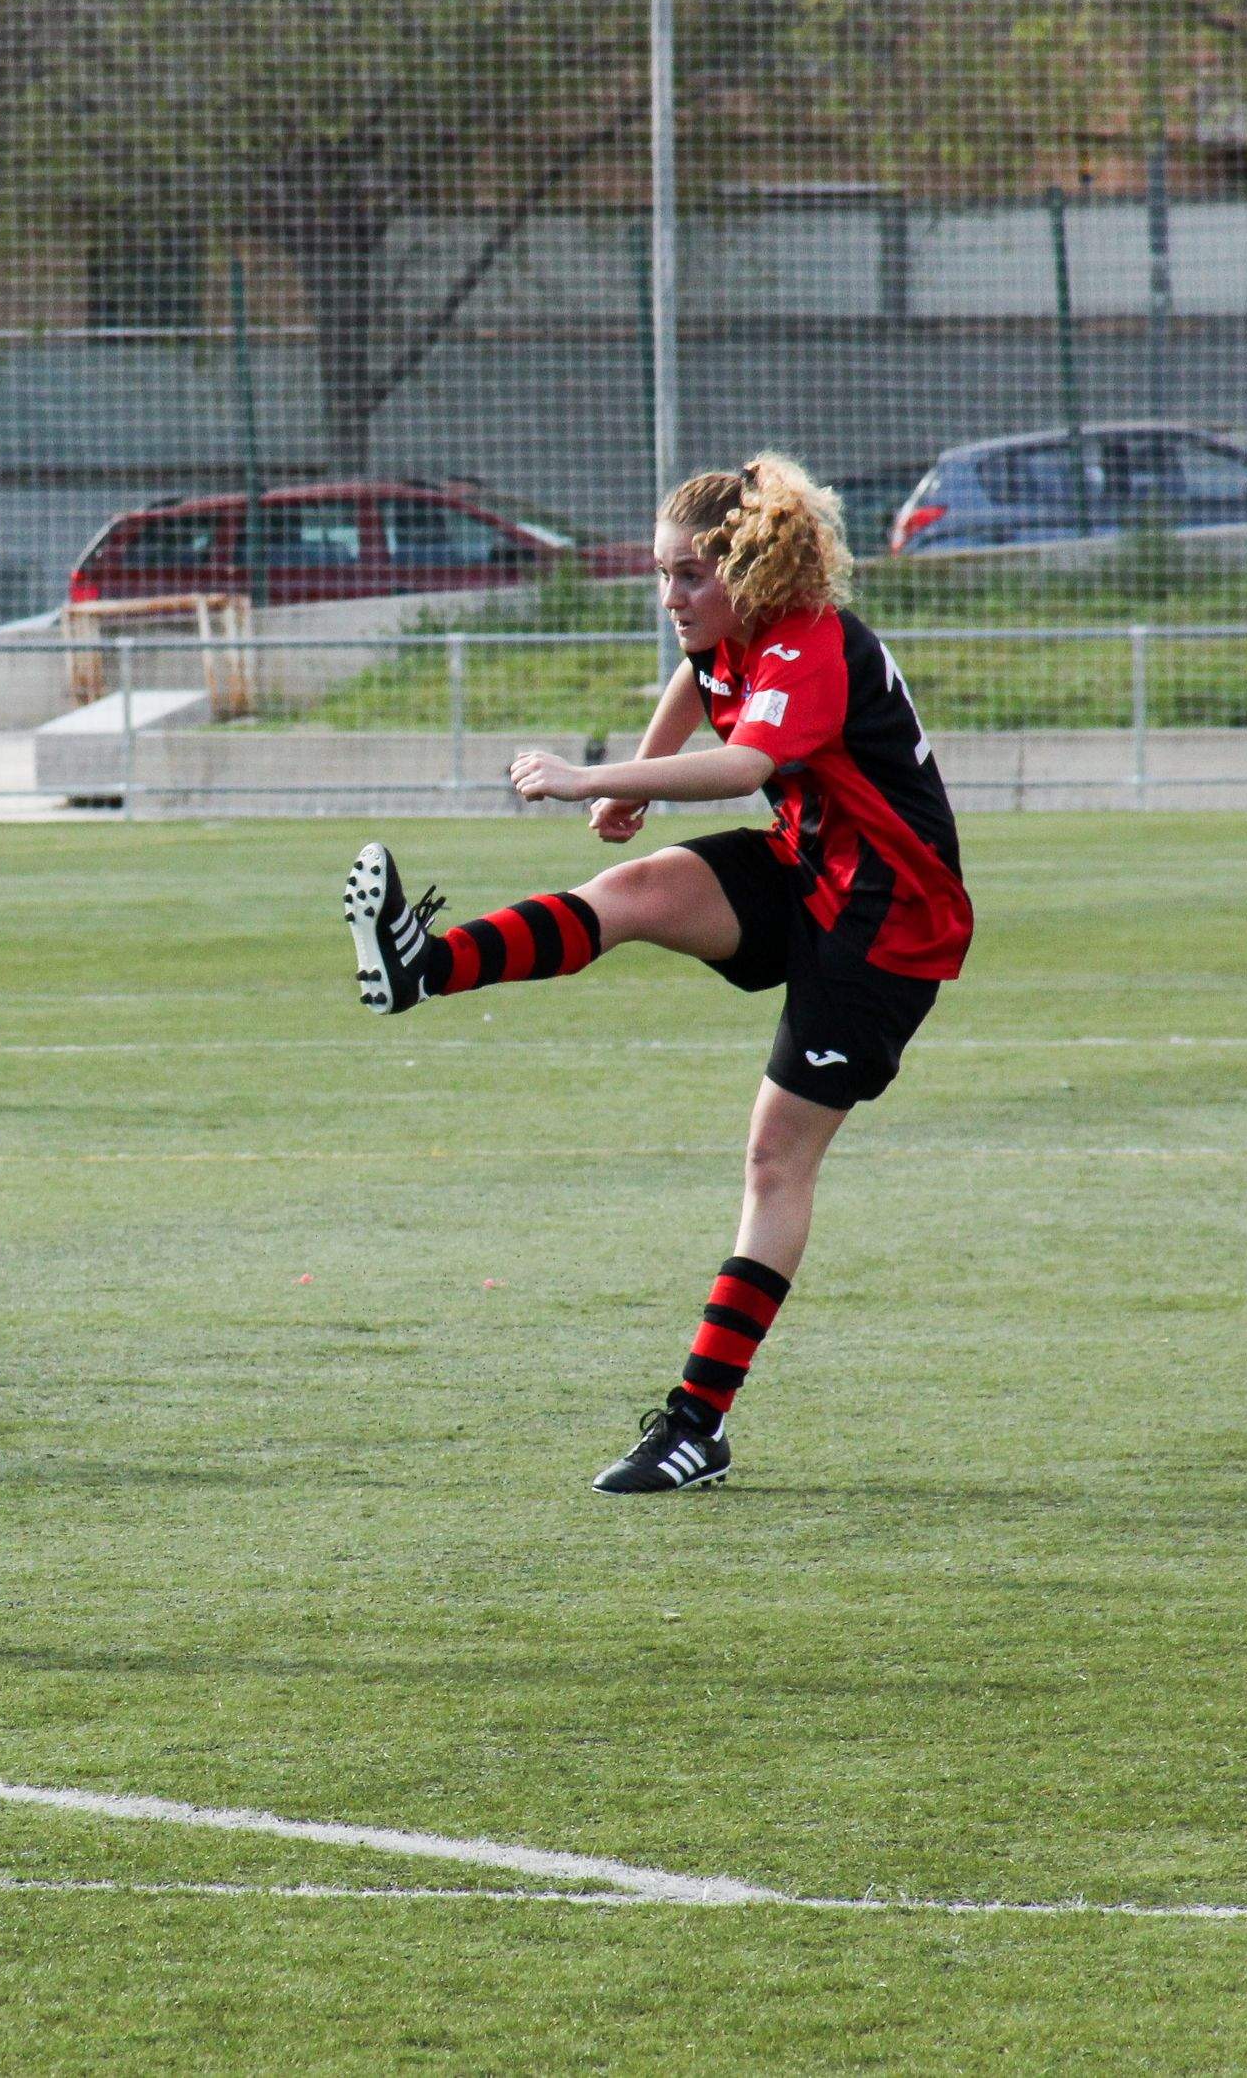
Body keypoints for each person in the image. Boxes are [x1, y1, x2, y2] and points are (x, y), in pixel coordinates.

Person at [341, 454, 972, 1495]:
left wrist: (596, 775)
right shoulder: (726, 635)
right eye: (659, 572)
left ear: (751, 572)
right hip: (809, 868)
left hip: (886, 926)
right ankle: (422, 966)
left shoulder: (809, 643)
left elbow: (742, 768)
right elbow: (698, 685)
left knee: (774, 1162)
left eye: (689, 575)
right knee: (631, 885)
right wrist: (631, 786)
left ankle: (694, 1427)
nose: (668, 597)